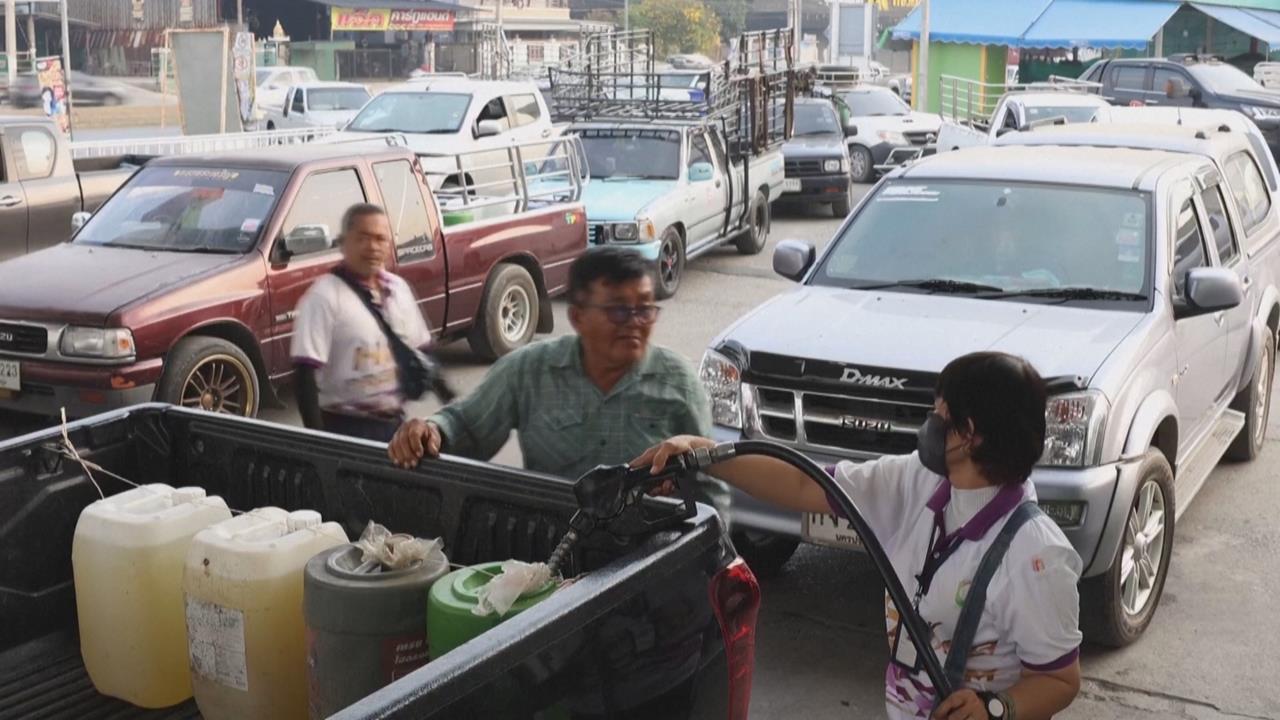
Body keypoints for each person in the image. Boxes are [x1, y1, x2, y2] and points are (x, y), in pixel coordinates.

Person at [634, 352, 1082, 720]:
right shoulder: (916, 481)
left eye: (939, 412)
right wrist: (702, 453)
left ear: (968, 435)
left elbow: (1061, 680)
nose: (930, 421)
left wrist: (997, 708)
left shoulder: (1035, 556)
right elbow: (804, 483)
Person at [387, 247, 726, 512]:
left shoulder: (678, 381)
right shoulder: (529, 371)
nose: (635, 322)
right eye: (619, 310)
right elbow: (466, 425)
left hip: (648, 558)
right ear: (577, 316)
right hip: (551, 548)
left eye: (645, 309)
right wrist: (429, 431)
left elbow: (711, 486)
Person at [291, 203, 433, 442]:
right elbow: (304, 374)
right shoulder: (324, 296)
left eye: (381, 239)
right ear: (344, 242)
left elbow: (421, 350)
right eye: (363, 238)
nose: (373, 247)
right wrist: (320, 444)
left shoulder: (398, 290)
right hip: (345, 428)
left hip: (395, 426)